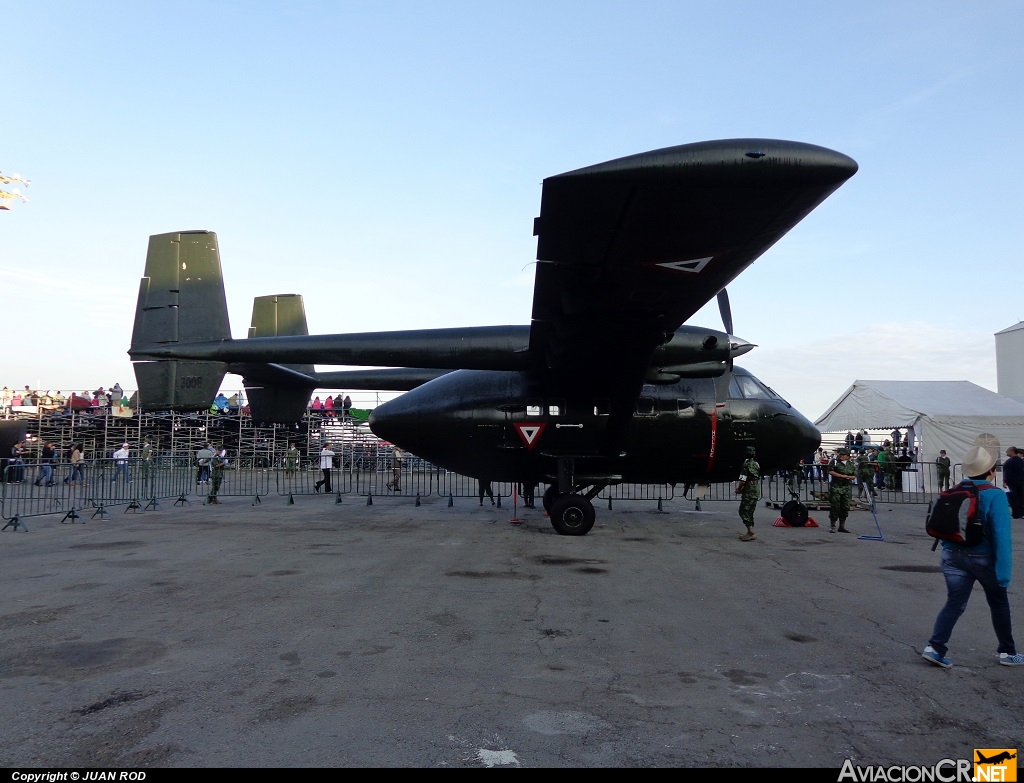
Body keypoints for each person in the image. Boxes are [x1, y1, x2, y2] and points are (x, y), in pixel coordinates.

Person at [922, 445, 1024, 667]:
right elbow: (1001, 537)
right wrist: (1004, 574)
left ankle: (935, 647)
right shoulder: (994, 494)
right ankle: (1007, 652)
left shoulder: (956, 489)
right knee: (998, 602)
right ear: (991, 471)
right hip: (983, 558)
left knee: (955, 603)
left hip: (951, 554)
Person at [827, 447, 856, 533]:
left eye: (843, 455)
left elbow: (854, 475)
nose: (841, 456)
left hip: (846, 487)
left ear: (848, 456)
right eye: (840, 454)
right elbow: (830, 471)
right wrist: (841, 476)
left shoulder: (850, 464)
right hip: (836, 487)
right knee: (835, 506)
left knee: (845, 507)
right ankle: (833, 525)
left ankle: (842, 526)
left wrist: (849, 477)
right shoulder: (835, 462)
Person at [735, 446, 760, 541]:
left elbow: (743, 479)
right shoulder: (756, 464)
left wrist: (739, 489)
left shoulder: (746, 464)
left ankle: (751, 531)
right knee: (750, 510)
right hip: (756, 488)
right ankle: (750, 531)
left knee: (743, 510)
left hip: (749, 489)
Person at [1002, 446, 1024, 519]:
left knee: (1012, 498)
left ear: (1012, 451)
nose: (1006, 452)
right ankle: (1021, 512)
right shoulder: (1021, 461)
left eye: (1008, 451)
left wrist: (1005, 481)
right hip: (1021, 482)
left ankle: (1016, 513)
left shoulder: (1009, 462)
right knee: (1020, 497)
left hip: (1011, 483)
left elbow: (1008, 473)